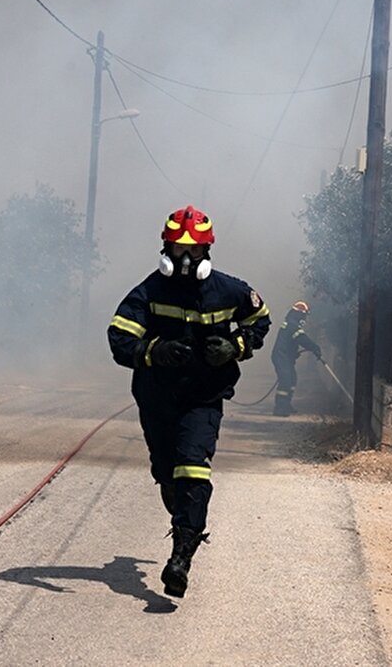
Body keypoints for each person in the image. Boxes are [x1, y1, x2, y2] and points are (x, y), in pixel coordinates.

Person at [107, 205, 270, 598]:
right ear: (165, 247)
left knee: (193, 468)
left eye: (193, 251)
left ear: (207, 252)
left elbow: (259, 319)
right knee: (169, 474)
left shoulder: (230, 290)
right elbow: (118, 338)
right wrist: (153, 351)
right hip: (157, 398)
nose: (185, 259)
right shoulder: (148, 291)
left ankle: (181, 556)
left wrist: (235, 346)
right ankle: (172, 494)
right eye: (178, 249)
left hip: (204, 398)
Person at [270, 300, 322, 416]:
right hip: (281, 357)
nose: (305, 318)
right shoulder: (292, 324)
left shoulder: (292, 322)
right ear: (299, 314)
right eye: (304, 315)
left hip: (286, 357)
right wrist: (314, 347)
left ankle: (286, 405)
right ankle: (280, 408)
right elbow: (301, 339)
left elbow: (292, 342)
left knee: (292, 379)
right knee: (286, 380)